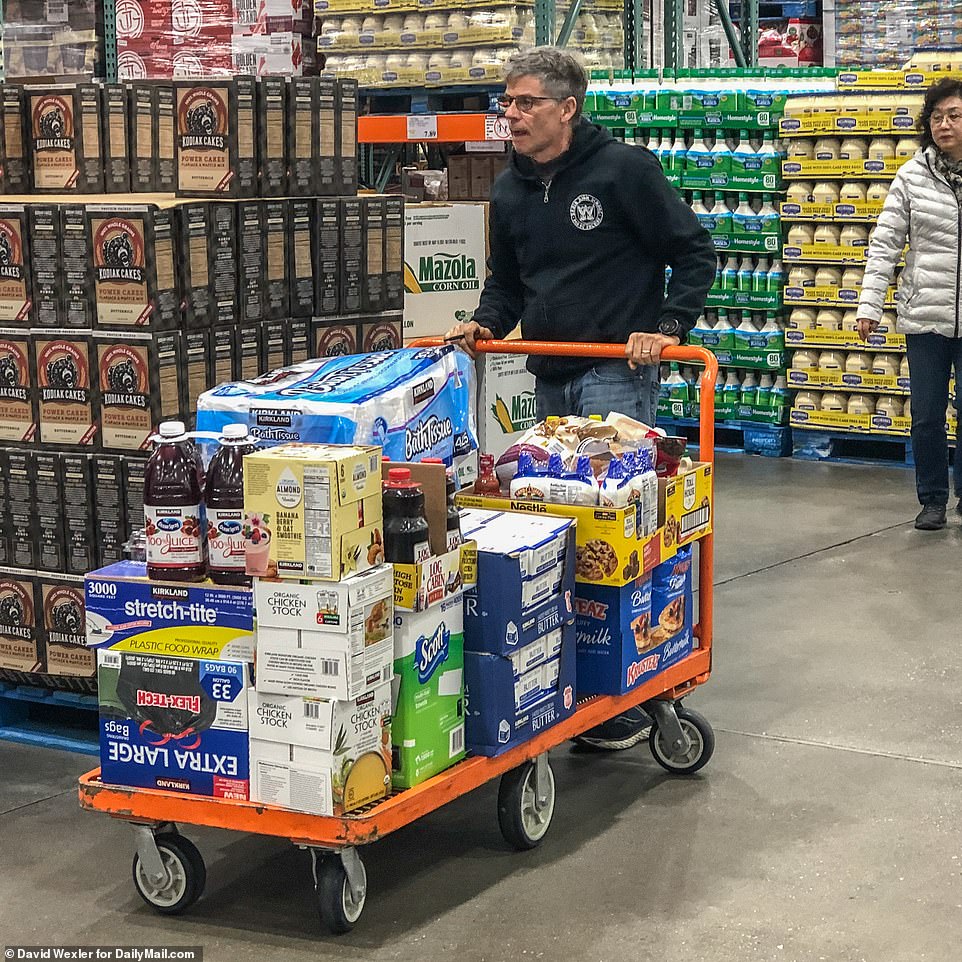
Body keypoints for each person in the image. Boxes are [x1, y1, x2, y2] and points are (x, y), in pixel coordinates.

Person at [446, 47, 715, 752]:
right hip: (549, 378)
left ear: (567, 107)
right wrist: (485, 323)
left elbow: (694, 252)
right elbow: (508, 282)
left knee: (613, 529)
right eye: (506, 103)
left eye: (525, 103)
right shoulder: (509, 190)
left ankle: (628, 683)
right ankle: (577, 672)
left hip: (615, 376)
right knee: (558, 532)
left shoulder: (624, 170)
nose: (511, 115)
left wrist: (668, 328)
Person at [857, 77, 962, 531]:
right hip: (925, 317)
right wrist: (869, 304)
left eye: (954, 115)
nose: (944, 124)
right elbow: (885, 243)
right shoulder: (913, 176)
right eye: (936, 117)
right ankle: (933, 500)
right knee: (926, 415)